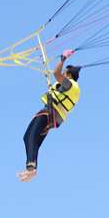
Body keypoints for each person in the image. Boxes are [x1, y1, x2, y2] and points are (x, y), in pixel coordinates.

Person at [17, 49, 80, 182]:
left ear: (68, 74)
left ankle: (31, 168)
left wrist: (63, 59)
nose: (62, 74)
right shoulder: (69, 87)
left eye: (65, 72)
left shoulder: (70, 84)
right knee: (30, 138)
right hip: (54, 117)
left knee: (31, 136)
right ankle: (31, 168)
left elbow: (56, 73)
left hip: (50, 112)